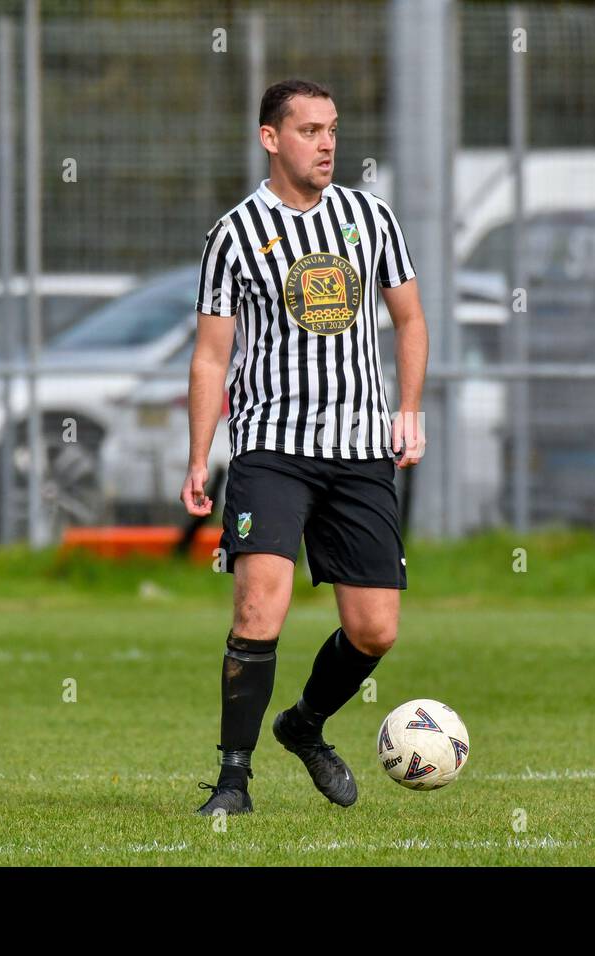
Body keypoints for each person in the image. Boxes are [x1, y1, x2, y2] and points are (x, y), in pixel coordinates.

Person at [182, 78, 428, 815]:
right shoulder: (232, 235)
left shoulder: (370, 218)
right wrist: (199, 456)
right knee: (261, 606)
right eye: (310, 130)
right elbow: (209, 356)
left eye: (333, 130)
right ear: (270, 138)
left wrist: (408, 410)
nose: (326, 144)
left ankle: (306, 724)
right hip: (271, 448)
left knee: (375, 629)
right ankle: (233, 781)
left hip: (360, 448)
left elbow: (410, 320)